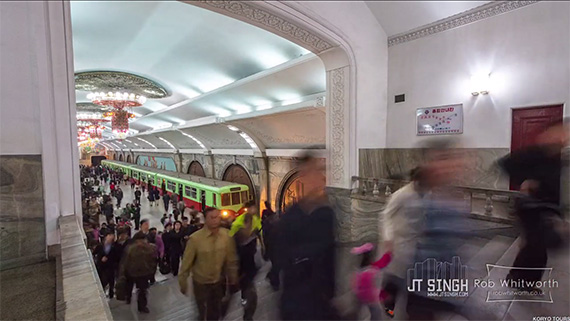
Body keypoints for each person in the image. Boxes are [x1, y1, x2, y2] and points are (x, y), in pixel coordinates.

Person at [498, 122, 569, 285]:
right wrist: (524, 180)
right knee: (535, 245)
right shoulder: (535, 153)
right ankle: (518, 279)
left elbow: (556, 186)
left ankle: (525, 280)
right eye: (562, 132)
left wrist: (560, 214)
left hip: (547, 207)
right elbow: (505, 164)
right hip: (530, 206)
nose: (565, 137)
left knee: (537, 246)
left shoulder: (556, 157)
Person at [275, 153, 337, 320]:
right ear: (303, 176)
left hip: (322, 300)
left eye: (320, 170)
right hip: (299, 304)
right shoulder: (291, 218)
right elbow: (285, 258)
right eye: (315, 171)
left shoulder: (326, 213)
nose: (321, 176)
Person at [379, 166, 426, 318]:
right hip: (398, 243)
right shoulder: (401, 195)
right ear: (415, 180)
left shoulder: (427, 194)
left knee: (414, 280)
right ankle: (388, 305)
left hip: (415, 242)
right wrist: (388, 238)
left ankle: (410, 311)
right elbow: (386, 215)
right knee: (395, 278)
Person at [179, 208, 239, 321]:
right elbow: (186, 263)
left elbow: (231, 259)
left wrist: (233, 276)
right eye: (212, 217)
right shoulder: (195, 239)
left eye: (217, 217)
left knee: (215, 311)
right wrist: (183, 282)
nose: (215, 220)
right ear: (205, 219)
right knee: (203, 312)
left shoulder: (226, 236)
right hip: (201, 283)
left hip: (218, 281)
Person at [229, 201, 262, 321]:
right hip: (241, 261)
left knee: (250, 284)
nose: (254, 210)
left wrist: (262, 245)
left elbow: (260, 231)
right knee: (246, 283)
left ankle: (248, 311)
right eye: (252, 208)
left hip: (251, 258)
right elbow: (231, 236)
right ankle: (245, 297)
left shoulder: (256, 219)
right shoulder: (238, 222)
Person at [120, 232, 157, 313]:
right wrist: (123, 273)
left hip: (143, 273)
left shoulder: (149, 248)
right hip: (131, 272)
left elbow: (153, 260)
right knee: (129, 287)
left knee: (142, 291)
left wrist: (151, 271)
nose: (143, 242)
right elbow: (125, 262)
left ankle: (142, 306)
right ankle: (128, 297)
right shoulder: (130, 249)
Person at [261, 201, 280, 290]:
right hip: (276, 248)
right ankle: (274, 280)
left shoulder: (267, 224)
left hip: (274, 248)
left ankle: (274, 280)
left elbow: (266, 239)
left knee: (276, 264)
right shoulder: (274, 220)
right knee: (277, 265)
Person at [94, 233, 119, 298]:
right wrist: (100, 260)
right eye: (109, 237)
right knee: (103, 280)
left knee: (111, 280)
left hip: (110, 266)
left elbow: (116, 257)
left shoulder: (114, 247)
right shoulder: (100, 246)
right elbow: (94, 253)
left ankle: (111, 292)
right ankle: (102, 292)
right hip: (102, 267)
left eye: (112, 238)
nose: (110, 239)